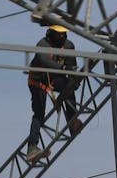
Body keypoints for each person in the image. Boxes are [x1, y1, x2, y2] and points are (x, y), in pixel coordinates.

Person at [26, 25, 82, 163]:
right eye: (58, 34)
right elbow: (45, 61)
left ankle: (72, 122)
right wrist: (63, 67)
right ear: (51, 33)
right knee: (39, 113)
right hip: (38, 81)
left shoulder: (68, 46)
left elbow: (71, 66)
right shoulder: (43, 45)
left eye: (63, 33)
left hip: (53, 79)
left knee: (69, 88)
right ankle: (32, 147)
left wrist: (73, 79)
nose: (61, 36)